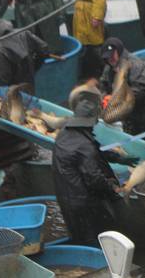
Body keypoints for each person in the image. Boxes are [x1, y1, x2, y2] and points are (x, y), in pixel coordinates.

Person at [53, 84, 121, 246]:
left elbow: (90, 149)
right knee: (94, 242)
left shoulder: (64, 134)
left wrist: (113, 156)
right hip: (85, 206)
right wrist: (115, 191)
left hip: (67, 201)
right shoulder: (85, 145)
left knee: (79, 239)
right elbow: (95, 179)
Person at [99, 37, 145, 146]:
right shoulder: (109, 68)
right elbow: (103, 85)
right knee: (135, 143)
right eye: (107, 57)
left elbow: (139, 90)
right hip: (131, 114)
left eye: (112, 55)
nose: (111, 59)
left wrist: (116, 100)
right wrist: (105, 97)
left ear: (118, 51)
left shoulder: (136, 65)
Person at [0, 10, 49, 89]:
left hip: (11, 92)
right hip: (29, 84)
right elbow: (44, 49)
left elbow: (2, 81)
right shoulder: (23, 33)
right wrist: (33, 67)